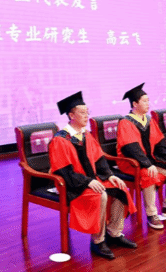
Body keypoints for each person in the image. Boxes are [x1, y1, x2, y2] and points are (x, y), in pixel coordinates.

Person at [48, 91, 137, 260]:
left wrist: (109, 176)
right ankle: (98, 241)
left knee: (120, 187)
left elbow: (99, 160)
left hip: (91, 179)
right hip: (72, 184)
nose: (86, 115)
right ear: (71, 115)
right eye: (82, 112)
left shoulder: (86, 135)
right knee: (100, 194)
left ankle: (114, 233)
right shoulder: (60, 140)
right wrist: (87, 182)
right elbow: (64, 171)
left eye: (87, 112)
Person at [116, 83, 166, 230]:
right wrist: (146, 164)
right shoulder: (126, 122)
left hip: (150, 160)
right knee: (148, 174)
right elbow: (131, 148)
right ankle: (151, 214)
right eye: (144, 101)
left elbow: (160, 142)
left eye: (148, 100)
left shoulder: (149, 120)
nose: (148, 103)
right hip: (131, 162)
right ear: (134, 104)